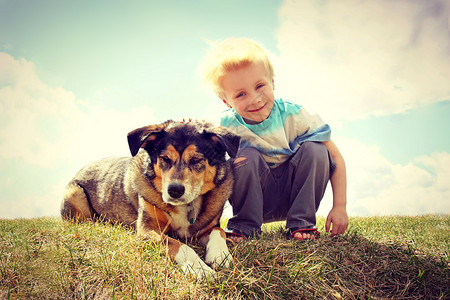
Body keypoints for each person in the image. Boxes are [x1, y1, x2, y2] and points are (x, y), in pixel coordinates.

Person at [201, 38, 348, 242]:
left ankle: (302, 223)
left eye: (260, 85)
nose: (255, 99)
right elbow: (202, 161)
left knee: (317, 149)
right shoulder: (226, 126)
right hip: (256, 199)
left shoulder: (294, 115)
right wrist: (186, 129)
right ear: (226, 101)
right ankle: (244, 226)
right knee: (247, 155)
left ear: (272, 82)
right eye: (241, 94)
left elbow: (336, 159)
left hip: (295, 195)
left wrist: (340, 206)